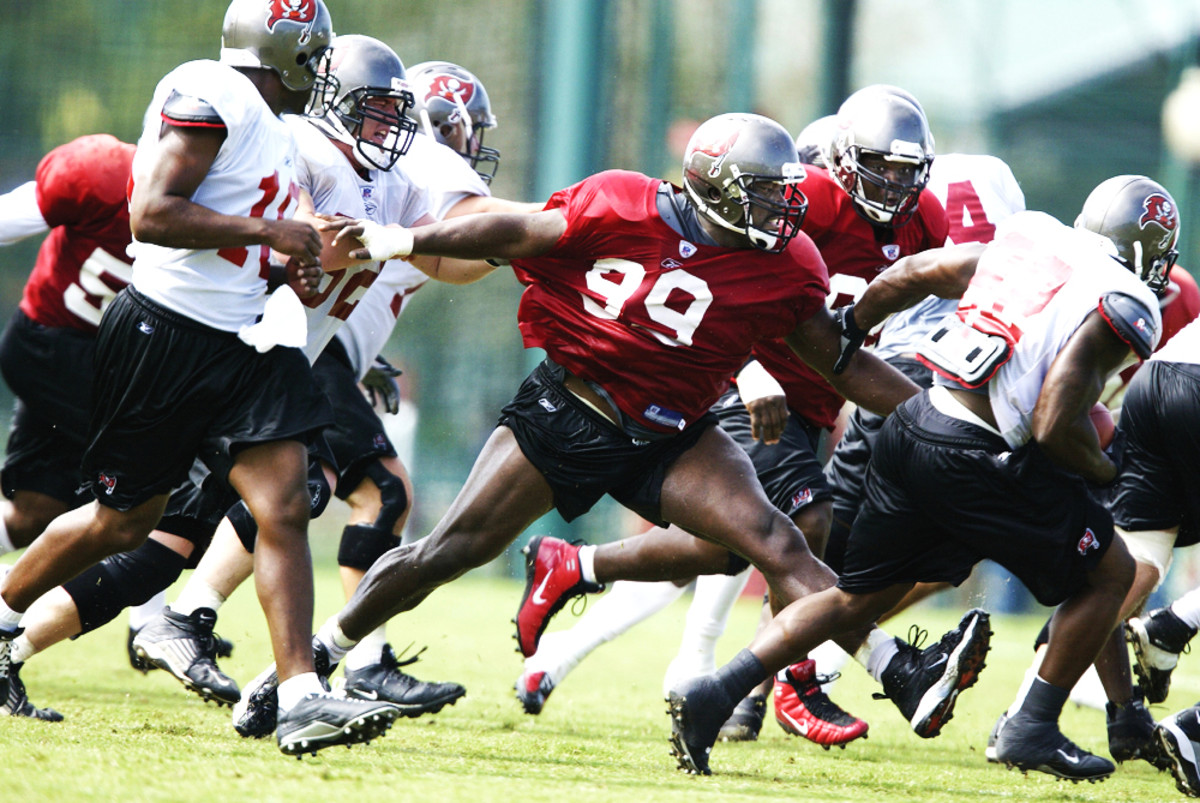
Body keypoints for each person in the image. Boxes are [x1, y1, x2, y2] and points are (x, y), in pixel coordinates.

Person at [232, 112, 964, 751]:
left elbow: (839, 359)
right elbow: (519, 227)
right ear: (718, 186)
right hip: (572, 413)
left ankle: (897, 667)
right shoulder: (623, 204)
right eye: (768, 191)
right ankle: (316, 655)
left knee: (778, 540)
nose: (785, 207)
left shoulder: (787, 263)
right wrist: (399, 240)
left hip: (674, 432)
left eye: (785, 190)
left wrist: (935, 418)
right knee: (445, 552)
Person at [666, 174, 1174, 780]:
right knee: (1111, 570)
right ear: (1147, 249)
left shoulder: (1028, 235)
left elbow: (915, 274)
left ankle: (712, 695)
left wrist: (854, 325)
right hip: (978, 452)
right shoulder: (1126, 298)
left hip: (913, 421)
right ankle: (1030, 726)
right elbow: (1053, 419)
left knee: (855, 599)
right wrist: (1103, 467)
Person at [0, 0, 403, 757]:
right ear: (283, 52)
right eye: (312, 56)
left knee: (285, 500)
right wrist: (269, 232)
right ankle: (3, 616)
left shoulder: (274, 135)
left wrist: (296, 264)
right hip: (164, 335)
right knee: (120, 522)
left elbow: (253, 244)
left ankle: (299, 697)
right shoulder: (210, 89)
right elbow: (151, 213)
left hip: (241, 342)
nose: (317, 74)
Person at [513, 88, 971, 752]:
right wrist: (746, 371)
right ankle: (809, 676)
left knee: (729, 547)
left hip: (810, 399)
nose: (897, 184)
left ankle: (581, 573)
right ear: (840, 161)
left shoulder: (923, 220)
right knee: (800, 526)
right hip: (749, 387)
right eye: (882, 166)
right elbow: (723, 287)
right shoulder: (807, 198)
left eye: (909, 170)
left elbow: (876, 315)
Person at [132, 52, 533, 728]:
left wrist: (504, 246)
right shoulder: (324, 147)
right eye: (380, 109)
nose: (395, 125)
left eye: (397, 112)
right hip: (260, 343)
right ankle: (305, 650)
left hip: (310, 352)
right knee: (357, 491)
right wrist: (552, 224)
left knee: (261, 500)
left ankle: (215, 635)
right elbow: (318, 243)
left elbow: (438, 259)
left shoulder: (390, 172)